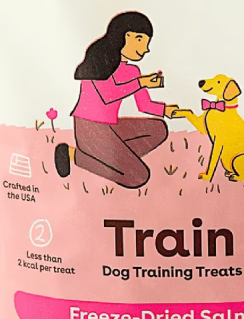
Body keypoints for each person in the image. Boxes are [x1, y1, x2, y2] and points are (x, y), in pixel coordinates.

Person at [54, 11, 178, 189]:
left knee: (159, 129)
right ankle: (75, 156)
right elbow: (108, 95)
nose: (146, 49)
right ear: (125, 36)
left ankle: (110, 159)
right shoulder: (98, 63)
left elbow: (144, 105)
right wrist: (141, 82)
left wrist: (167, 110)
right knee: (139, 176)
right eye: (140, 40)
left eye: (147, 42)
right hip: (89, 128)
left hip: (111, 128)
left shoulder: (133, 71)